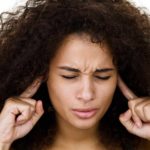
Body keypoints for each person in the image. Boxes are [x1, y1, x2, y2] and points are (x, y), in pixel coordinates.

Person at [0, 0, 149, 149]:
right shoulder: (10, 143)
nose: (87, 94)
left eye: (102, 76)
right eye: (69, 76)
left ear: (120, 77)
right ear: (41, 75)